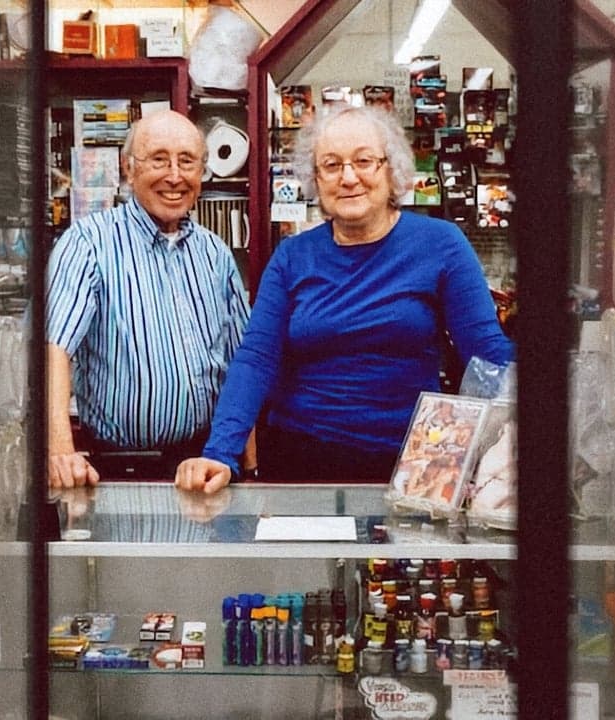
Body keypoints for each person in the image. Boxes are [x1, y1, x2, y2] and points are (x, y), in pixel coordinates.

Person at [176, 105, 514, 494]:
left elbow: (487, 354)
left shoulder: (441, 245)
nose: (349, 177)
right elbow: (256, 358)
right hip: (299, 460)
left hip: (412, 464)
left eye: (364, 161)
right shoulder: (292, 256)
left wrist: (527, 425)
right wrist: (221, 452)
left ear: (392, 170)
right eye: (332, 165)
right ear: (315, 179)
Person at [46, 110, 251, 487]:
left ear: (201, 174)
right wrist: (60, 449)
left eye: (187, 161)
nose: (174, 176)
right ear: (129, 169)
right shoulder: (89, 243)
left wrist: (251, 468)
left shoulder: (215, 254)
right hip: (120, 470)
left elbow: (246, 364)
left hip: (206, 466)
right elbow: (54, 347)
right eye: (159, 159)